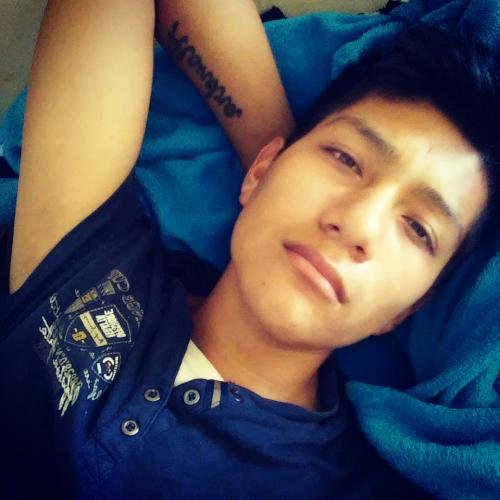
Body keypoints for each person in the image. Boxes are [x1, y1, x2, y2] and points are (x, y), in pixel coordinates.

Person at [0, 0, 498, 498]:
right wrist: (273, 169)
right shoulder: (98, 259)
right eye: (345, 158)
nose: (357, 223)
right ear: (262, 170)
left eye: (418, 229)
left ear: (407, 309)